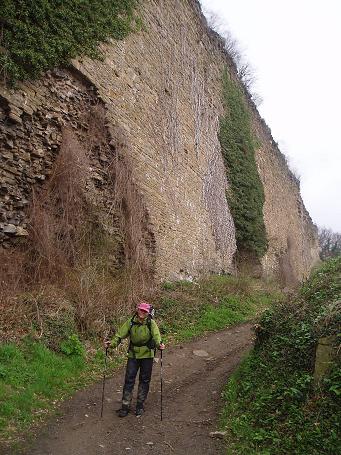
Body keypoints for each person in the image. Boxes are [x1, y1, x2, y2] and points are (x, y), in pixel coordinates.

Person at [105, 301, 165, 417]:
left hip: (147, 355)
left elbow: (157, 336)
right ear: (137, 310)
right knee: (129, 379)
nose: (142, 312)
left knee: (144, 380)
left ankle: (140, 406)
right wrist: (111, 344)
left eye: (145, 311)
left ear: (148, 313)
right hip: (133, 355)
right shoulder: (131, 322)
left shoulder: (151, 323)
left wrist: (160, 344)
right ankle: (125, 406)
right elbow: (119, 335)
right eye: (141, 310)